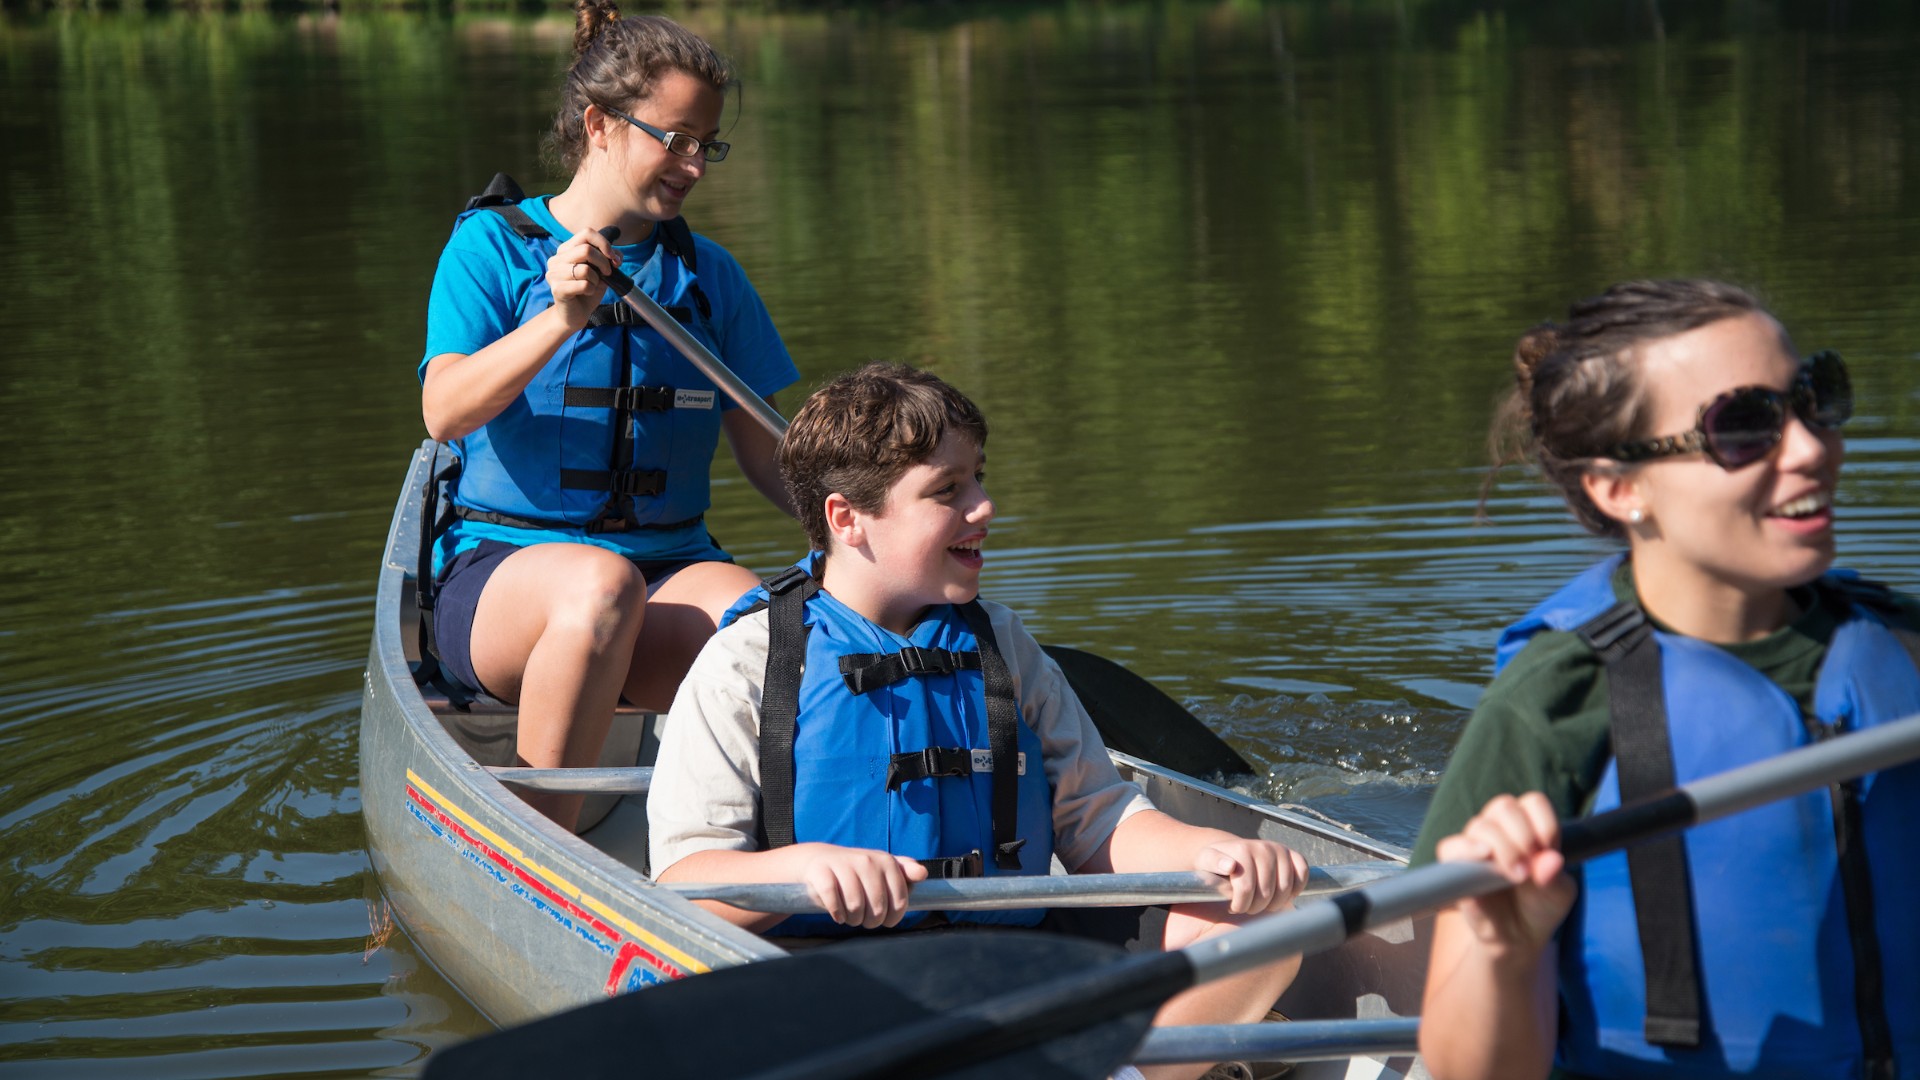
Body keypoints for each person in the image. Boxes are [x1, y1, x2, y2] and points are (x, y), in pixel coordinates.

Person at [648, 362, 1308, 1080]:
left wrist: (1205, 850)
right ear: (847, 519)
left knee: (1267, 918)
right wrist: (799, 870)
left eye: (979, 479)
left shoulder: (1001, 643)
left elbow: (1098, 819)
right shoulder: (749, 662)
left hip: (1014, 964)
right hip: (828, 986)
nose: (985, 506)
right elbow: (685, 889)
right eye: (947, 491)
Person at [1412, 279, 1920, 1079]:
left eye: (1814, 398)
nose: (1813, 447)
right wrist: (1500, 949)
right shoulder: (1553, 705)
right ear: (1619, 487)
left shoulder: (1905, 651)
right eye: (1744, 426)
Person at [417, 3, 797, 830]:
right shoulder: (493, 250)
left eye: (708, 145)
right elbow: (443, 412)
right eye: (677, 138)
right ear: (599, 123)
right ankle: (538, 844)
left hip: (671, 566)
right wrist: (557, 318)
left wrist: (863, 527)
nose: (695, 165)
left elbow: (771, 456)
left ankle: (760, 847)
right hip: (503, 578)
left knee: (785, 637)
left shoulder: (710, 277)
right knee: (599, 587)